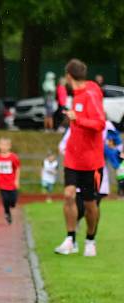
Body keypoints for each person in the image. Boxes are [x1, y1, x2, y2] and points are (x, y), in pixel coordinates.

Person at [54, 59, 106, 257]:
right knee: (68, 195)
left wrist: (79, 120)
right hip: (73, 157)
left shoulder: (91, 94)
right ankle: (70, 239)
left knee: (90, 203)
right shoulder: (75, 94)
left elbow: (100, 124)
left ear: (69, 76)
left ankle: (90, 240)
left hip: (91, 161)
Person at [0, 137, 20, 224]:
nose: (4, 147)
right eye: (2, 145)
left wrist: (17, 180)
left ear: (9, 146)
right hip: (2, 183)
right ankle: (7, 213)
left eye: (6, 145)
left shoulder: (13, 157)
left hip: (11, 183)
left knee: (13, 201)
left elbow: (17, 168)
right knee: (5, 199)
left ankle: (10, 206)